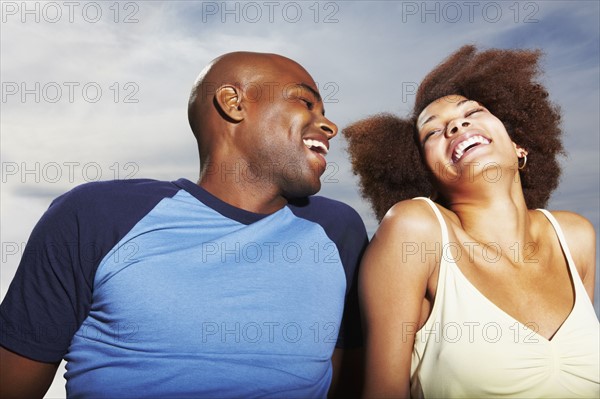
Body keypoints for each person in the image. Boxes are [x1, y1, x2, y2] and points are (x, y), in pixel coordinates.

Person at [0, 52, 367, 398]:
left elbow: (346, 382)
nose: (330, 126)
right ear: (233, 104)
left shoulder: (337, 231)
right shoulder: (94, 215)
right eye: (304, 102)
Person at [344, 45, 599, 398]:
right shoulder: (416, 230)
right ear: (425, 173)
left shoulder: (575, 236)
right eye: (432, 132)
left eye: (473, 112)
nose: (457, 125)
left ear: (518, 144)